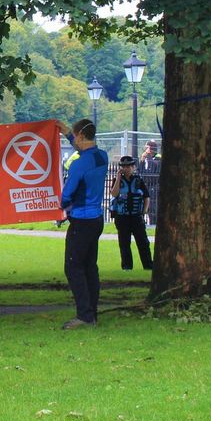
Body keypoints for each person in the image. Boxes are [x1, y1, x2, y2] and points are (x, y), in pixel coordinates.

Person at [57, 118, 109, 329]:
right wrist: (67, 132)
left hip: (81, 221)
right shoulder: (102, 156)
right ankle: (91, 313)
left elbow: (67, 194)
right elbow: (84, 149)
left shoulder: (78, 164)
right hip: (96, 219)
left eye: (75, 136)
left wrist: (61, 205)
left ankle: (85, 316)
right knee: (89, 267)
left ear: (81, 136)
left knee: (73, 267)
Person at [109, 155, 152, 270]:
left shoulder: (138, 180)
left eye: (128, 166)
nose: (126, 169)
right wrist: (118, 178)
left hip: (136, 216)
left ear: (133, 167)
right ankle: (127, 267)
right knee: (124, 243)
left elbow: (146, 197)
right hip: (122, 217)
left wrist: (144, 211)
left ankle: (148, 265)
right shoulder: (117, 180)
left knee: (143, 242)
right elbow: (114, 194)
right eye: (123, 166)